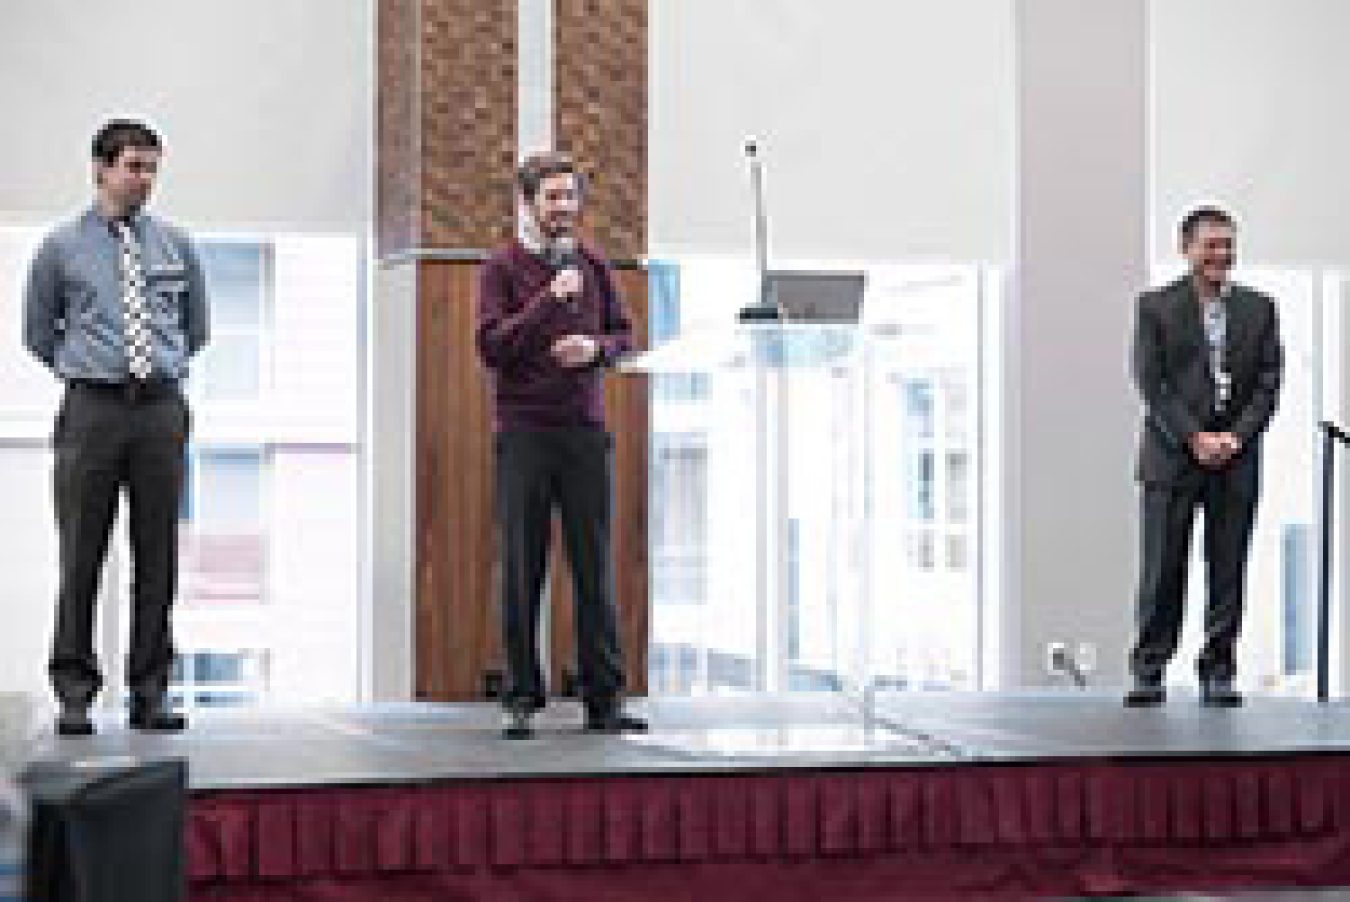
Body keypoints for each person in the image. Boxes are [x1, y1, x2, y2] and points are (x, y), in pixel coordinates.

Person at [23, 120, 210, 735]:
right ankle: (74, 690)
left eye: (152, 168)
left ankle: (150, 690)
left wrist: (155, 375)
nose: (144, 179)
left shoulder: (177, 246)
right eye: (133, 166)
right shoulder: (59, 249)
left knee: (157, 556)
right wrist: (89, 370)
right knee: (82, 553)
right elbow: (37, 332)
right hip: (91, 411)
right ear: (100, 168)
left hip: (160, 410)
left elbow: (196, 330)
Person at [476, 151, 647, 739]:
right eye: (552, 198)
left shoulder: (595, 265)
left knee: (595, 567)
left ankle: (605, 699)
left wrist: (595, 351)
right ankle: (522, 696)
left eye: (571, 197)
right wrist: (549, 300)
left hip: (584, 433)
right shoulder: (501, 268)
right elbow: (492, 346)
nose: (564, 208)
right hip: (524, 434)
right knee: (523, 568)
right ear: (528, 204)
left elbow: (624, 336)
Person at [1125, 207, 1282, 708]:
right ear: (1186, 248)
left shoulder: (1261, 308)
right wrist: (1194, 437)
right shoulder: (1155, 307)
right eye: (1211, 244)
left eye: (1229, 244)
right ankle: (1150, 667)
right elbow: (1152, 382)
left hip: (1236, 459)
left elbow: (1268, 383)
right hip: (1172, 458)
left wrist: (1234, 437)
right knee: (1162, 569)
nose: (1222, 254)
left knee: (1228, 568)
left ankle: (1218, 667)